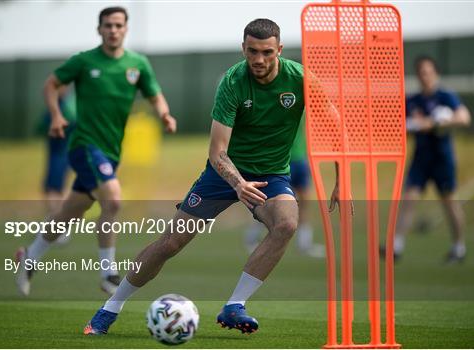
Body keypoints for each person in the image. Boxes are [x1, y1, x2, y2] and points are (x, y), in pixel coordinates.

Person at [83, 18, 340, 335]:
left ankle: (235, 306)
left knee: (286, 224)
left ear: (280, 50)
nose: (259, 59)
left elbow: (334, 123)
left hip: (271, 174)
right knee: (170, 243)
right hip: (224, 174)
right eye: (252, 51)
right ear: (243, 48)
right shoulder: (232, 82)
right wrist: (237, 183)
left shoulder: (300, 78)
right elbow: (217, 150)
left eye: (267, 52)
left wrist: (341, 181)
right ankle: (110, 308)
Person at [15, 6, 177, 296]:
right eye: (107, 25)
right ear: (99, 29)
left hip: (112, 152)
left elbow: (155, 94)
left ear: (126, 29)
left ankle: (29, 257)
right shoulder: (84, 60)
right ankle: (108, 274)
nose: (113, 30)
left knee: (69, 213)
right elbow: (51, 85)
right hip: (85, 145)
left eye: (118, 25)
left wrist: (164, 114)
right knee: (113, 200)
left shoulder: (137, 64)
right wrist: (55, 115)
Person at [385, 56, 471, 263]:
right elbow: (400, 127)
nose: (425, 76)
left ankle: (459, 247)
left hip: (442, 158)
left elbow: (464, 118)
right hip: (421, 158)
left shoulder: (445, 97)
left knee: (449, 202)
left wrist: (435, 122)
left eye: (428, 72)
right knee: (409, 198)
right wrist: (411, 126)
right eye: (421, 72)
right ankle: (396, 246)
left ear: (436, 73)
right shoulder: (413, 101)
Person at [244, 117, 325, 258]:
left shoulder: (304, 103)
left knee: (305, 202)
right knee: (269, 203)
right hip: (280, 161)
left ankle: (304, 243)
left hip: (300, 160)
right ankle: (252, 237)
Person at [41, 86, 76, 217]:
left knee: (55, 188)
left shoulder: (68, 106)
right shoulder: (56, 106)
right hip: (56, 151)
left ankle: (57, 221)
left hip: (62, 152)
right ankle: (55, 220)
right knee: (54, 187)